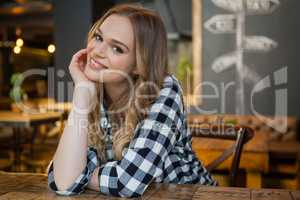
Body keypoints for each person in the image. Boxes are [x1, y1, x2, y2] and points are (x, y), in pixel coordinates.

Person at [48, 3, 217, 198]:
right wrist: (81, 92)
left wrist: (78, 176)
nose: (97, 51)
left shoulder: (163, 89)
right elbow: (61, 182)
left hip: (195, 195)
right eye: (98, 37)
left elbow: (128, 182)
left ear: (139, 64)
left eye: (117, 49)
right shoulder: (94, 90)